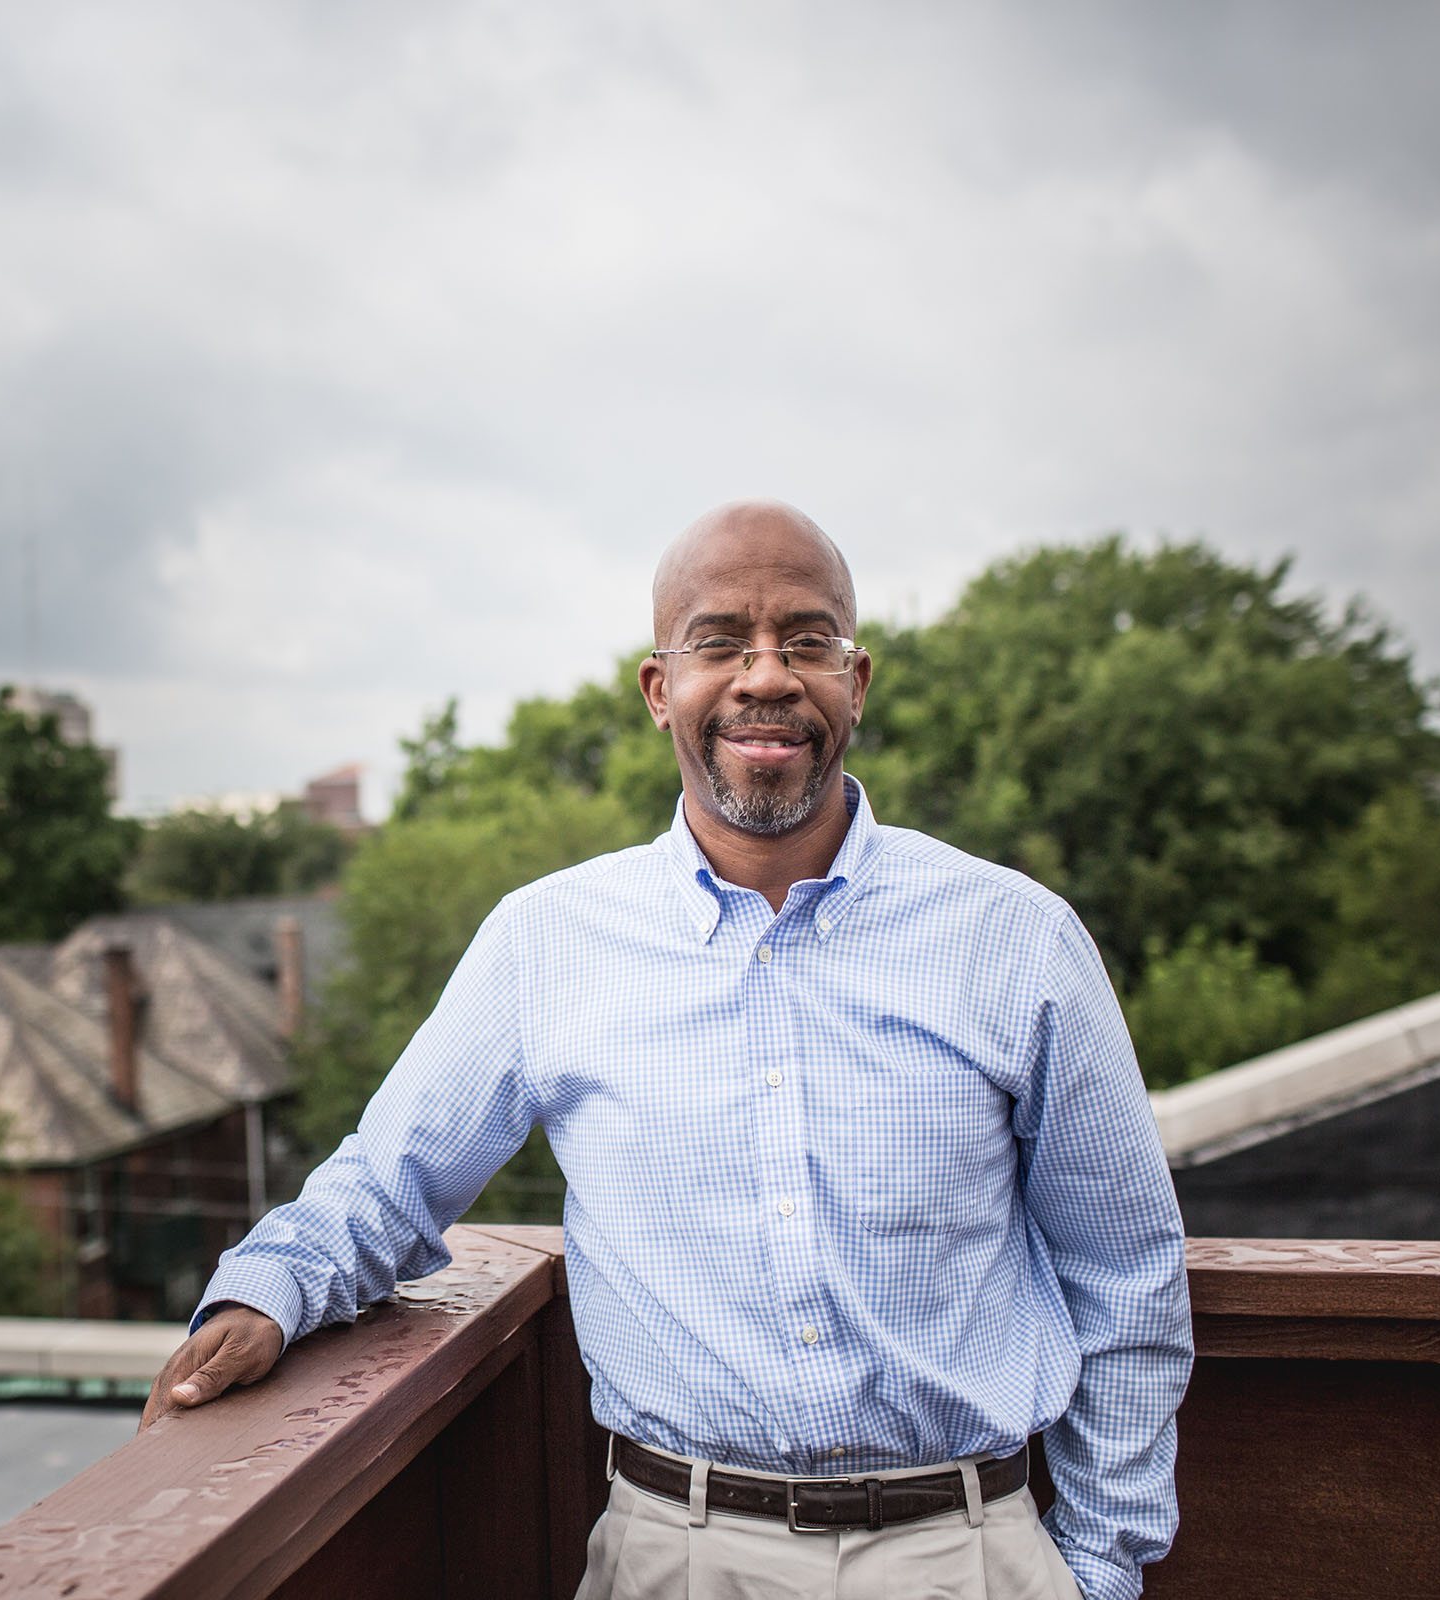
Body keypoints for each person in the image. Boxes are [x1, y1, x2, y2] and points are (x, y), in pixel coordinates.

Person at [140, 500, 1192, 1600]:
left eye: (807, 640)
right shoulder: (547, 943)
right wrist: (261, 1295)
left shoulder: (1015, 938)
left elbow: (1126, 1272)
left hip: (965, 1556)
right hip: (676, 1559)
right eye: (721, 641)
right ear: (660, 690)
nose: (767, 676)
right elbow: (385, 1181)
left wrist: (1100, 1571)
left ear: (858, 681)